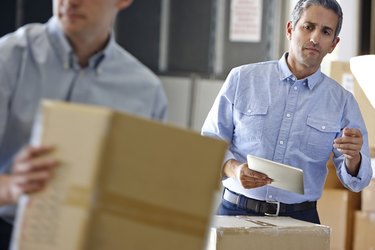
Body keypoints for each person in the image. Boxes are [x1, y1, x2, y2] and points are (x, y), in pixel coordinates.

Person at [0, 0, 167, 248]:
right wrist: (11, 187)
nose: (69, 2)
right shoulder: (8, 59)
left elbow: (146, 191)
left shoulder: (146, 91)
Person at [201, 0, 372, 224]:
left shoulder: (342, 102)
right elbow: (210, 143)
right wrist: (235, 170)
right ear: (290, 29)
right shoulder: (242, 79)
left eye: (325, 32)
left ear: (333, 44)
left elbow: (358, 181)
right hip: (236, 211)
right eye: (308, 27)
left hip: (301, 219)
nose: (315, 38)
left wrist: (354, 157)